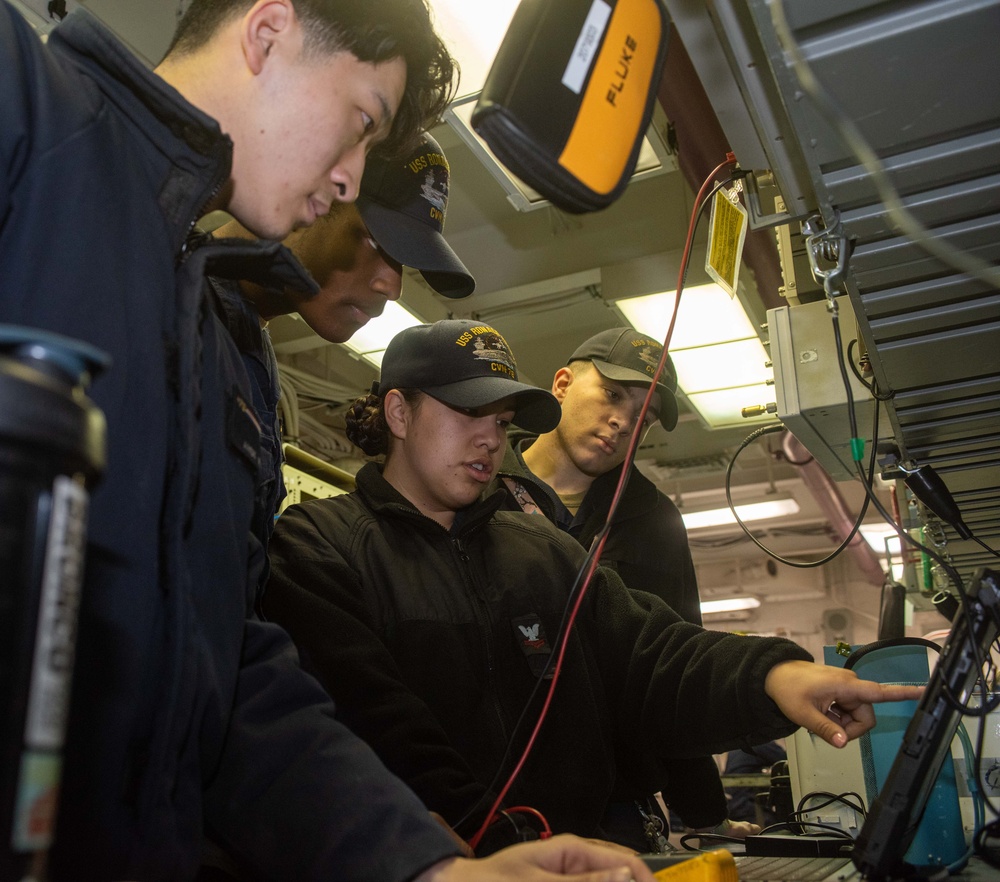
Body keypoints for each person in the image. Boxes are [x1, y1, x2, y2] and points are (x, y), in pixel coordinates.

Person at [0, 2, 661, 880]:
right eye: (361, 124)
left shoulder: (227, 346)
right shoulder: (27, 113)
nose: (351, 180)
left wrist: (433, 867)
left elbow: (232, 681)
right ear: (268, 32)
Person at [263, 318, 924, 857]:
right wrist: (496, 849)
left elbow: (650, 654)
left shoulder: (542, 550)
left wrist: (774, 678)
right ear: (399, 412)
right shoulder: (318, 548)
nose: (490, 438)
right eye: (469, 413)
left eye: (502, 420)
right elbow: (381, 731)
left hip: (571, 859)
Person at [489, 327, 746, 848]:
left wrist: (705, 813)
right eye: (612, 394)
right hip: (490, 798)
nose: (624, 422)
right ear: (561, 383)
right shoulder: (479, 490)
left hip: (616, 809)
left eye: (644, 416)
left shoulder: (654, 520)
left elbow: (673, 665)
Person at [206, 129, 473, 586]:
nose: (393, 287)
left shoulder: (249, 348)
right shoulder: (166, 309)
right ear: (311, 195)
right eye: (375, 241)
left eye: (402, 262)